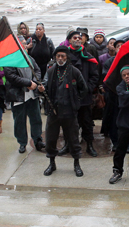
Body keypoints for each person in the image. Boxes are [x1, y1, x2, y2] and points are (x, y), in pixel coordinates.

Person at [38, 46, 87, 177]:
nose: (60, 58)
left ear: (67, 57)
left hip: (70, 113)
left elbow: (84, 89)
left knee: (73, 139)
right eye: (58, 56)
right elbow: (44, 88)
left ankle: (76, 164)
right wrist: (41, 89)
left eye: (63, 56)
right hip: (53, 112)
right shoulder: (50, 71)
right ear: (55, 57)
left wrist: (75, 101)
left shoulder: (75, 72)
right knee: (51, 139)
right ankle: (52, 163)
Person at [60, 31, 99, 157]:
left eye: (79, 37)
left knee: (87, 122)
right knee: (68, 123)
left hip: (84, 97)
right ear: (70, 40)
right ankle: (67, 145)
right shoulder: (64, 56)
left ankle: (89, 146)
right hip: (68, 97)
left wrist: (88, 88)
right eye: (74, 37)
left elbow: (94, 75)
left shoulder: (87, 56)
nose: (77, 39)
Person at [5, 36, 45, 154]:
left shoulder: (30, 59)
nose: (25, 46)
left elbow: (37, 71)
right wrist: (27, 83)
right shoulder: (10, 60)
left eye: (25, 43)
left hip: (32, 96)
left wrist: (35, 82)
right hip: (18, 97)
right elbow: (11, 76)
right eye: (22, 44)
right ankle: (22, 143)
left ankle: (38, 140)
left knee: (36, 119)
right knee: (19, 121)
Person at [102, 39, 125, 151]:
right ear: (115, 49)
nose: (120, 47)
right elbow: (106, 78)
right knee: (114, 119)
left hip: (128, 95)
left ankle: (128, 143)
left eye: (122, 46)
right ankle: (115, 142)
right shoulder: (109, 62)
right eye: (118, 46)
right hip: (113, 95)